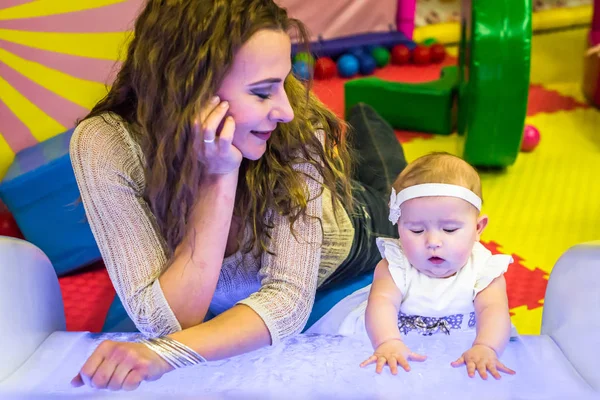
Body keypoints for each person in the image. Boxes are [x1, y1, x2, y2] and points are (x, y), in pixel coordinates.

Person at [69, 0, 406, 391]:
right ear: (188, 90)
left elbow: (286, 302)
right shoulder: (105, 144)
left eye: (284, 82)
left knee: (398, 198)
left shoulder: (298, 127)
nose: (285, 110)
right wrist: (220, 176)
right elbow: (165, 321)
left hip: (353, 226)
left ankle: (369, 121)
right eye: (262, 93)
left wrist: (164, 354)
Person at [310, 152, 516, 380]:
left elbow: (494, 311)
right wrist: (388, 341)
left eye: (449, 230)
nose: (433, 242)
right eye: (417, 230)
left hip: (466, 345)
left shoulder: (485, 269)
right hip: (390, 337)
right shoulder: (396, 265)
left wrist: (486, 346)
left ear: (478, 228)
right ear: (398, 228)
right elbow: (382, 303)